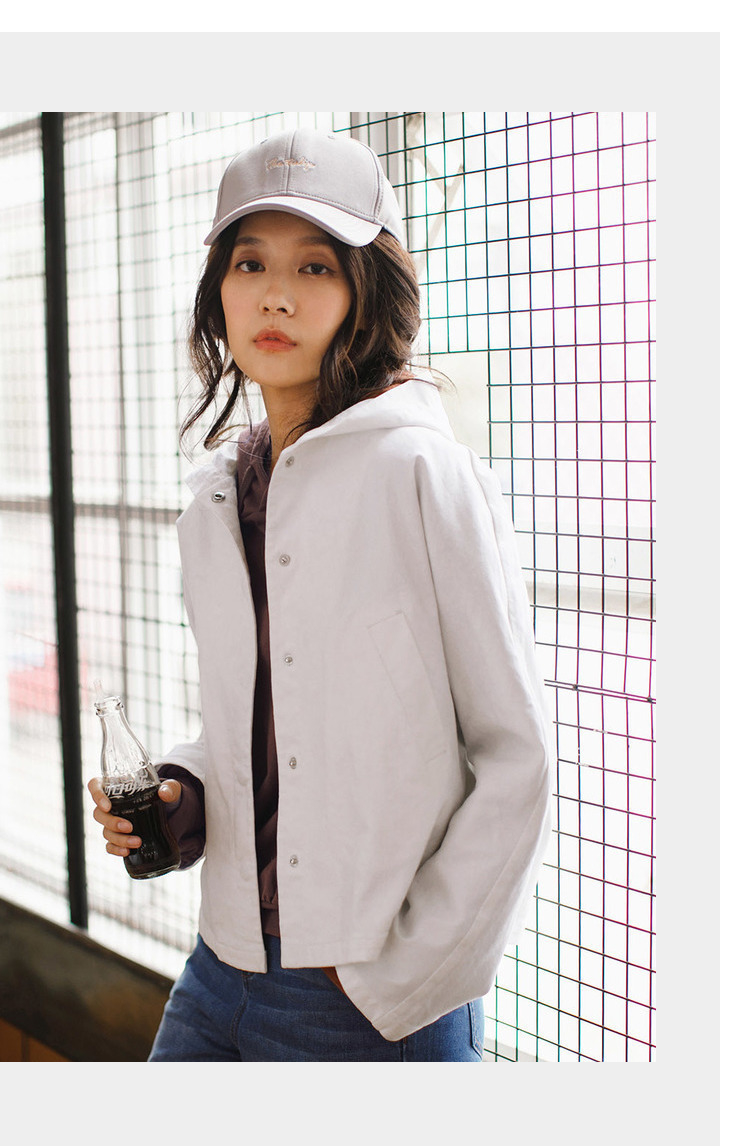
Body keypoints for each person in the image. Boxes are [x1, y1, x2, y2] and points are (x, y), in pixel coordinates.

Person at [88, 127, 553, 1062]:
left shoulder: (423, 471)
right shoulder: (220, 497)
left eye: (315, 267)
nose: (276, 294)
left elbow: (518, 758)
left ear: (362, 293)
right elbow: (271, 719)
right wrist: (189, 791)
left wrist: (401, 978)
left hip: (362, 998)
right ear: (219, 291)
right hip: (220, 968)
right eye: (250, 262)